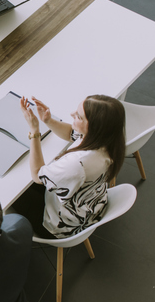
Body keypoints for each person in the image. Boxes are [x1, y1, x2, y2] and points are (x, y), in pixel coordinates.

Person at [10, 95, 125, 239]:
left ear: (94, 126)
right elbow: (72, 133)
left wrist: (34, 131)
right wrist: (48, 121)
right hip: (87, 206)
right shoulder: (107, 140)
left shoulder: (78, 163)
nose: (72, 114)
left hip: (60, 225)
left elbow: (37, 174)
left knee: (11, 188)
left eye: (79, 116)